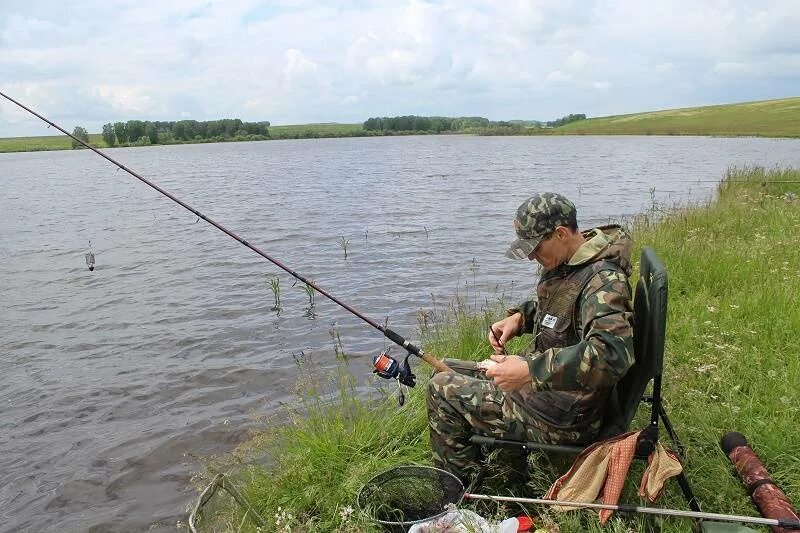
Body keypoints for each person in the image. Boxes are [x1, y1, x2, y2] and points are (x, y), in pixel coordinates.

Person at [426, 192, 635, 482]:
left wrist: (529, 371)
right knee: (451, 367)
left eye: (535, 247)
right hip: (555, 397)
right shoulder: (573, 261)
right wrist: (520, 318)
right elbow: (565, 311)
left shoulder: (604, 281)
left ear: (560, 234)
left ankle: (460, 493)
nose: (530, 256)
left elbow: (612, 354)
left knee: (441, 388)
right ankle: (487, 463)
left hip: (566, 418)